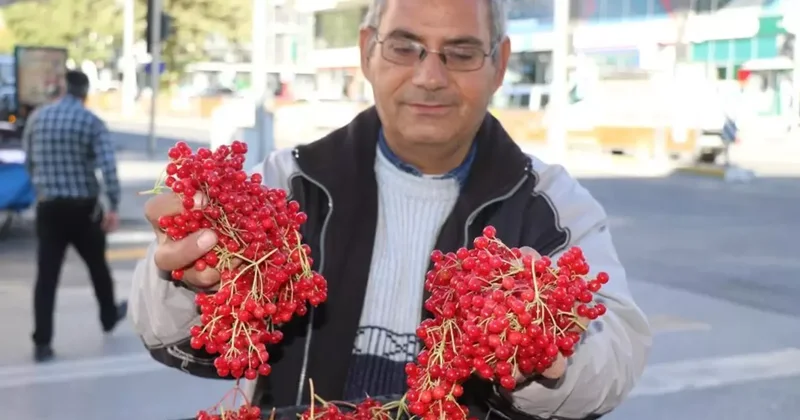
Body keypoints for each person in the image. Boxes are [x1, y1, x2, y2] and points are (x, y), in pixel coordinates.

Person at [130, 0, 652, 418]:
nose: (430, 76)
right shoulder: (285, 186)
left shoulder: (550, 205)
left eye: (462, 52)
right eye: (406, 47)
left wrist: (545, 359)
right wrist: (185, 279)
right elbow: (173, 339)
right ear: (367, 52)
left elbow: (617, 348)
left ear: (500, 64)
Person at [23, 70, 127, 363]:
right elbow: (108, 167)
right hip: (83, 209)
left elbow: (29, 162)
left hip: (49, 208)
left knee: (46, 276)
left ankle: (42, 342)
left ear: (62, 88)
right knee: (97, 266)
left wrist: (42, 190)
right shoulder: (91, 122)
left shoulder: (37, 118)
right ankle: (108, 315)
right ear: (85, 93)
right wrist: (113, 205)